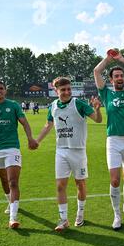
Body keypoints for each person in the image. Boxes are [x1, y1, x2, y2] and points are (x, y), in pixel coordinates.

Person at [35, 77, 102, 232]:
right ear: (56, 91)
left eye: (68, 89)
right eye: (63, 90)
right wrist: (37, 140)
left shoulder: (78, 104)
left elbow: (98, 120)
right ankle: (63, 219)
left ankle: (80, 213)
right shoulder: (52, 106)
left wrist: (97, 109)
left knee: (80, 184)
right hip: (61, 151)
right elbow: (48, 125)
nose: (66, 92)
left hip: (78, 151)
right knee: (60, 186)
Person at [0, 80, 38, 229]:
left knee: (13, 182)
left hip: (12, 148)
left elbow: (25, 123)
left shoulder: (14, 105)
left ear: (5, 90)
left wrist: (30, 138)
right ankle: (9, 201)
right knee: (4, 181)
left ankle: (13, 217)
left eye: (1, 88)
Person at [94, 48, 124, 231]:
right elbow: (97, 71)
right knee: (115, 180)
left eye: (122, 75)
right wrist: (108, 59)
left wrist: (121, 59)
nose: (120, 78)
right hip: (113, 140)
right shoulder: (106, 94)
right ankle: (116, 215)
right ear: (112, 80)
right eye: (117, 76)